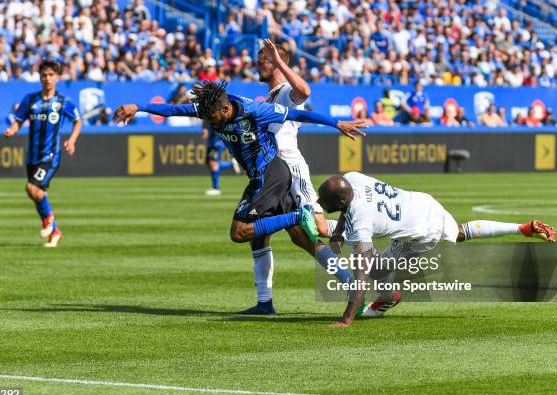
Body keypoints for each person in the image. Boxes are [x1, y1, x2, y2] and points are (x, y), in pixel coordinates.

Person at [113, 80, 367, 304]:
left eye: (213, 117)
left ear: (225, 109)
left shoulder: (255, 111)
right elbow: (174, 110)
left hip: (270, 174)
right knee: (296, 238)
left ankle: (299, 216)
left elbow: (297, 116)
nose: (210, 122)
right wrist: (139, 107)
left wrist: (337, 123)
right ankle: (337, 284)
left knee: (240, 232)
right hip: (263, 176)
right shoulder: (210, 108)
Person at [317, 173, 556, 327]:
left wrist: (346, 318)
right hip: (423, 202)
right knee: (460, 232)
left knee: (375, 270)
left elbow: (361, 274)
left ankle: (390, 298)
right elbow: (345, 207)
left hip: (420, 231)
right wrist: (337, 233)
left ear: (338, 202)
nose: (319, 201)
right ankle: (522, 228)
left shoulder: (360, 221)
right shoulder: (351, 179)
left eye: (323, 199)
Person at [235, 39, 360, 315]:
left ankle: (368, 232)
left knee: (318, 230)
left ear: (278, 61)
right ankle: (265, 302)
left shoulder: (284, 93)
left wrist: (278, 60)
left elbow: (304, 90)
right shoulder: (269, 98)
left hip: (291, 174)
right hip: (271, 175)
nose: (258, 64)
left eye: (263, 60)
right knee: (269, 235)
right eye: (259, 60)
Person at [4, 61, 82, 248]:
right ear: (39, 77)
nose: (47, 79)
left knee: (31, 188)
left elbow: (78, 121)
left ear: (57, 77)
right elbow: (18, 120)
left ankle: (48, 219)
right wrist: (12, 130)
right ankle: (54, 231)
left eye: (51, 75)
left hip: (50, 156)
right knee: (38, 193)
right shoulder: (30, 100)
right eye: (44, 75)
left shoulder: (64, 102)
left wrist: (71, 140)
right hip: (32, 156)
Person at [203, 119, 240, 196]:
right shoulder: (210, 119)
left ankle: (216, 188)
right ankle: (231, 165)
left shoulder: (217, 119)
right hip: (211, 144)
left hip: (216, 144)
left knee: (213, 163)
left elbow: (220, 132)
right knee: (212, 164)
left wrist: (218, 144)